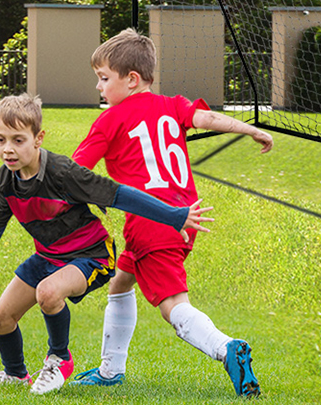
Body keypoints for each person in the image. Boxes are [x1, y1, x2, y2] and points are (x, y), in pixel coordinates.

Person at [0, 93, 214, 396]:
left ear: (38, 139)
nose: (8, 149)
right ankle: (15, 374)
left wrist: (174, 215)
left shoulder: (63, 174)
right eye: (1, 140)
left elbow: (120, 195)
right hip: (49, 256)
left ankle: (59, 359)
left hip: (91, 255)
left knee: (48, 292)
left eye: (18, 140)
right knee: (0, 317)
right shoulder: (7, 179)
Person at [69, 28, 273, 398]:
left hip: (151, 222)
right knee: (120, 282)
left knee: (173, 307)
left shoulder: (109, 121)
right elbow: (209, 119)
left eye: (103, 78)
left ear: (131, 80)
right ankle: (111, 369)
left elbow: (73, 172)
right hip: (184, 216)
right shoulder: (172, 105)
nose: (99, 87)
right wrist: (248, 129)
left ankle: (226, 348)